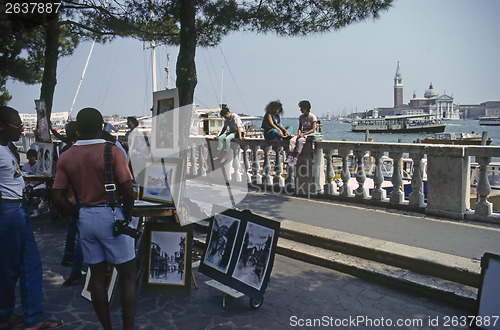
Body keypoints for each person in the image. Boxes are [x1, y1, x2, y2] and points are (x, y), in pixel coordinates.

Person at [52, 107, 136, 330]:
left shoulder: (66, 155)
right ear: (102, 126)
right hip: (110, 214)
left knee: (97, 276)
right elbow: (128, 191)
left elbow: (57, 196)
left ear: (78, 128)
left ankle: (107, 327)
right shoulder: (112, 151)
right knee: (128, 275)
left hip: (86, 217)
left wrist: (78, 213)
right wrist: (127, 214)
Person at [0, 106, 64, 330]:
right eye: (17, 125)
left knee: (30, 265)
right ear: (1, 126)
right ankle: (6, 316)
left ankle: (32, 319)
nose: (21, 128)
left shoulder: (7, 148)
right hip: (9, 213)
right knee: (8, 269)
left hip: (19, 211)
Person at [285, 100, 318, 166]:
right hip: (302, 133)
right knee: (292, 140)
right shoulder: (301, 117)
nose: (300, 110)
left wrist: (304, 134)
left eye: (302, 108)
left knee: (300, 141)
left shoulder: (312, 117)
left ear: (306, 108)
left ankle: (295, 158)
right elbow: (300, 128)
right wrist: (299, 133)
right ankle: (290, 156)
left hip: (309, 134)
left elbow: (313, 129)